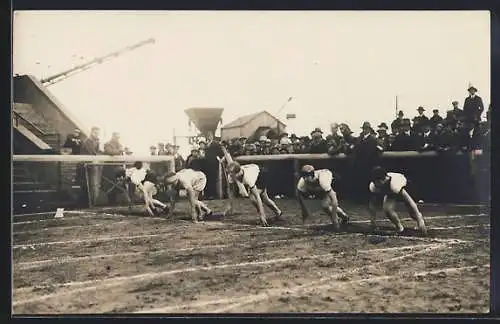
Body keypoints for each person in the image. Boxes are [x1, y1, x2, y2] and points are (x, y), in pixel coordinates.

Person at [368, 166, 427, 235]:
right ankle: (400, 228)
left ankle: (420, 222)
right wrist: (372, 221)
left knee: (413, 213)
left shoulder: (394, 184)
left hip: (407, 188)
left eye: (376, 181)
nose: (374, 184)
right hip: (391, 191)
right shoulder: (374, 186)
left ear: (382, 180)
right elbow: (372, 204)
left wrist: (419, 219)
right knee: (387, 209)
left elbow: (410, 201)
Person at [225, 161, 283, 227]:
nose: (230, 176)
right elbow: (230, 190)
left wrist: (262, 215)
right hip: (255, 172)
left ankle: (265, 215)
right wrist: (230, 205)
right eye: (229, 173)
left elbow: (257, 196)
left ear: (238, 174)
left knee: (253, 198)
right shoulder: (231, 175)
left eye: (232, 174)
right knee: (265, 199)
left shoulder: (248, 178)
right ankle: (278, 212)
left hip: (261, 174)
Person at [296, 165, 349, 230]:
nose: (306, 178)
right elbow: (299, 196)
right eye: (304, 176)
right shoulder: (302, 183)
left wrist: (334, 218)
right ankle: (344, 217)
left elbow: (334, 199)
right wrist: (304, 210)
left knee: (325, 205)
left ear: (312, 175)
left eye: (307, 176)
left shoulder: (323, 181)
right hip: (321, 188)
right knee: (324, 206)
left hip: (334, 182)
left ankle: (342, 217)